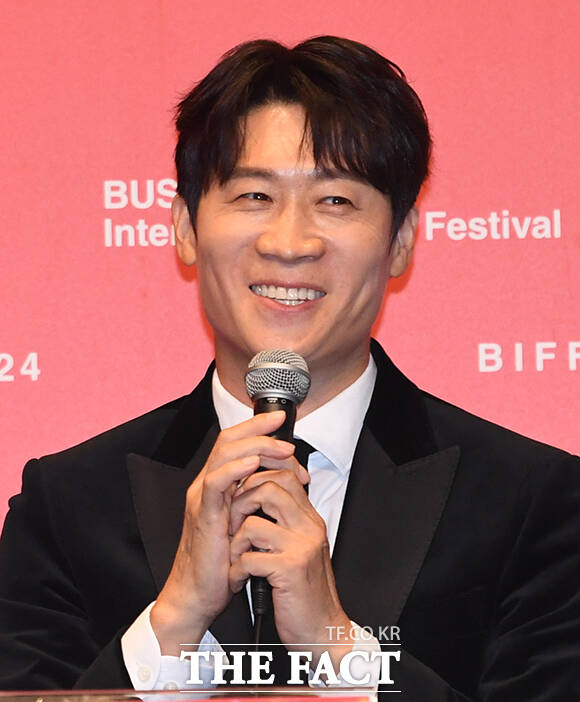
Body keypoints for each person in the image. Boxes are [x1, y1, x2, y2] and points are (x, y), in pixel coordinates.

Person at [1, 36, 579, 701]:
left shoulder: (533, 503)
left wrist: (340, 652)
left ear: (401, 240)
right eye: (254, 195)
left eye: (336, 201)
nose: (290, 243)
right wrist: (173, 624)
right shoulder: (68, 506)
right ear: (185, 226)